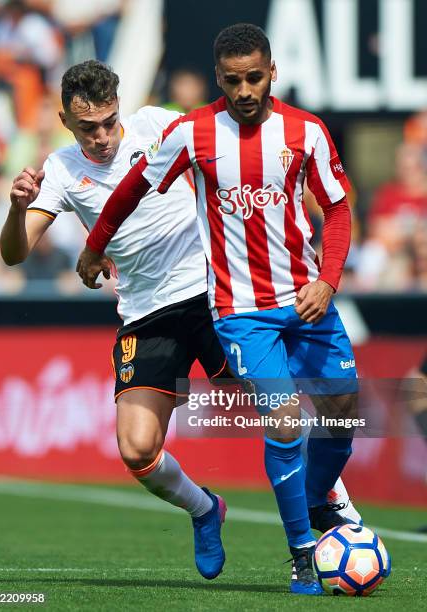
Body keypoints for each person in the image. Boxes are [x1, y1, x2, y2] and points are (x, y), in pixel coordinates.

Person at [77, 25, 359, 595]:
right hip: (241, 311)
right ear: (219, 79)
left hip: (309, 301)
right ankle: (303, 551)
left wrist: (328, 282)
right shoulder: (194, 133)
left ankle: (313, 503)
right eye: (233, 81)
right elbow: (131, 188)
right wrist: (94, 245)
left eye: (255, 77)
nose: (245, 90)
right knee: (284, 423)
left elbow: (337, 209)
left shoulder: (306, 131)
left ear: (272, 72)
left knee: (344, 420)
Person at [0, 60, 229, 581]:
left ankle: (333, 511)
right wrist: (17, 209)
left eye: (109, 121)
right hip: (146, 314)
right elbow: (14, 254)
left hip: (210, 294)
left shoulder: (158, 124)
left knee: (268, 401)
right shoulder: (58, 170)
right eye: (88, 127)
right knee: (138, 450)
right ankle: (205, 509)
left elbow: (222, 159)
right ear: (64, 120)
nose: (102, 136)